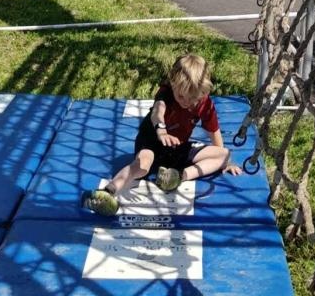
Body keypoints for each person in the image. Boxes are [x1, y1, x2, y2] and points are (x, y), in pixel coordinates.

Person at [81, 53, 241, 215]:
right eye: (181, 96)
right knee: (142, 166)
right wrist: (161, 130)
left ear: (202, 93)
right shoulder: (166, 92)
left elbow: (213, 129)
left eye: (192, 98)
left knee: (225, 154)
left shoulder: (204, 103)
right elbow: (158, 111)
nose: (186, 102)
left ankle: (177, 177)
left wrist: (225, 162)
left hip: (175, 147)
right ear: (172, 84)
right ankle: (108, 192)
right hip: (152, 141)